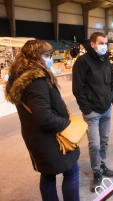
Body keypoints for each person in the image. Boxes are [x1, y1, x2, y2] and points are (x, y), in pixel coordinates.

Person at [5, 40, 80, 201]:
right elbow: (44, 117)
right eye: (46, 55)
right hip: (49, 135)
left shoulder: (20, 75)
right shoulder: (36, 79)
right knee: (71, 171)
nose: (50, 58)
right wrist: (67, 125)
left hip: (36, 134)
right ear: (35, 56)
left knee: (48, 173)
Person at [72, 32, 113, 192]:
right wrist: (86, 108)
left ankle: (102, 164)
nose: (104, 46)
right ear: (92, 44)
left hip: (107, 108)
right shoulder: (82, 62)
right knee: (95, 144)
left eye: (106, 43)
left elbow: (112, 81)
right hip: (92, 112)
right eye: (101, 43)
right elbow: (78, 89)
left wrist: (112, 97)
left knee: (104, 140)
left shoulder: (106, 61)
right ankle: (97, 172)